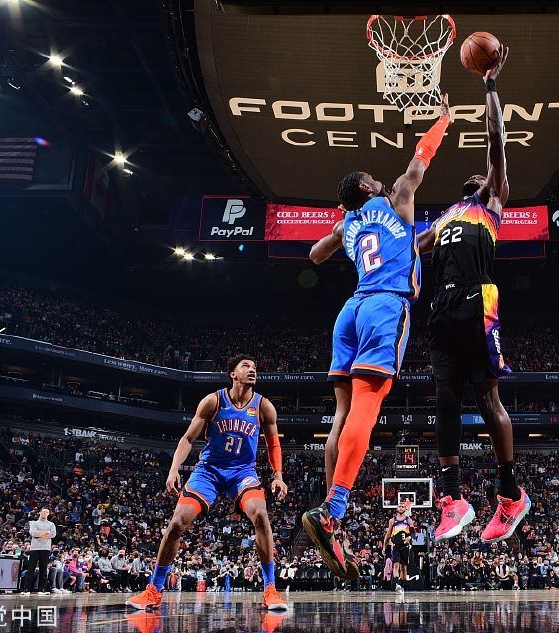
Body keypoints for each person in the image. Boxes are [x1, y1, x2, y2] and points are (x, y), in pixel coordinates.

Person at [303, 94, 452, 580]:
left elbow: (315, 255)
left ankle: (332, 518)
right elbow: (420, 160)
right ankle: (334, 509)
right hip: (386, 306)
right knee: (366, 410)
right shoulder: (397, 198)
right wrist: (444, 120)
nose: (381, 179)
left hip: (350, 310)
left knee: (342, 416)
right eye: (372, 178)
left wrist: (343, 221)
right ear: (368, 187)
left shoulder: (348, 222)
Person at [417, 47, 530, 545]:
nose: (478, 176)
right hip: (440, 309)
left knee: (487, 399)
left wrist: (489, 85)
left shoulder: (491, 202)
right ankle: (452, 499)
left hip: (476, 303)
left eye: (484, 175)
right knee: (444, 398)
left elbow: (495, 142)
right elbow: (407, 246)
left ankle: (510, 494)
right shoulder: (443, 218)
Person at [126, 355, 289, 611]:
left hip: (242, 472)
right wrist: (173, 469)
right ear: (233, 374)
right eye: (246, 366)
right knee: (177, 523)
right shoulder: (213, 401)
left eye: (255, 367)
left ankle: (270, 589)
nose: (252, 370)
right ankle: (154, 589)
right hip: (209, 471)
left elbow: (274, 444)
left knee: (260, 514)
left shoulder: (263, 406)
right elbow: (188, 439)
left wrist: (278, 476)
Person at [21, 508, 55, 596]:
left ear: (48, 514)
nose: (45, 513)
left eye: (47, 512)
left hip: (46, 548)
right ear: (40, 512)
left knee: (43, 569)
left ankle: (42, 589)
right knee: (31, 569)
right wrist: (46, 533)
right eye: (43, 512)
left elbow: (53, 534)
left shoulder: (51, 524)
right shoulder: (34, 523)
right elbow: (33, 533)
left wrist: (39, 534)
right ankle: (26, 589)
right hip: (35, 548)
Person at [382, 502, 414, 594]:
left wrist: (409, 537)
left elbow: (413, 533)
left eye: (402, 507)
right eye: (399, 506)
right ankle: (397, 585)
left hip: (405, 546)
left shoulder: (408, 520)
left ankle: (401, 585)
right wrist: (384, 547)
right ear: (397, 508)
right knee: (395, 565)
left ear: (405, 509)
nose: (400, 508)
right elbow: (388, 535)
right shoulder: (392, 520)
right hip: (395, 546)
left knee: (403, 567)